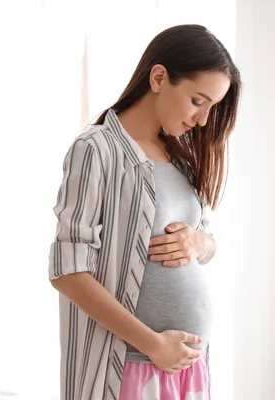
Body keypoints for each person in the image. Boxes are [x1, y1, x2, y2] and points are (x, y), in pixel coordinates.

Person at [47, 24, 241, 400]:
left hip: (187, 368)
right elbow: (67, 271)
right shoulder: (97, 150)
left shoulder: (180, 156)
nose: (203, 119)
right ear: (159, 77)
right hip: (129, 364)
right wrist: (152, 343)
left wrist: (199, 244)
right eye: (198, 101)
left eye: (212, 107)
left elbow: (207, 244)